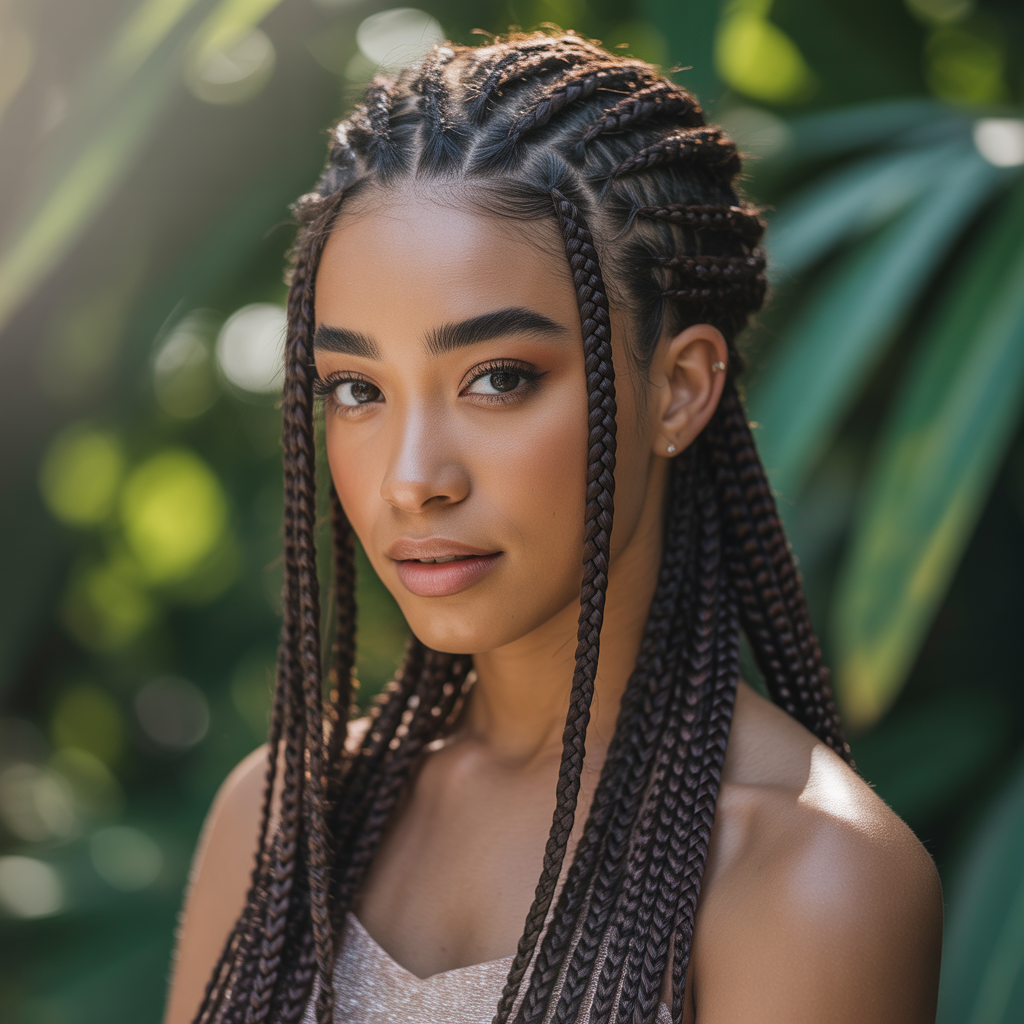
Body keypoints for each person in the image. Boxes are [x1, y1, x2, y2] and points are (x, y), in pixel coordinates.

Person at [164, 31, 943, 1024]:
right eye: (357, 388)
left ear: (679, 387)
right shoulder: (285, 815)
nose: (413, 481)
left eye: (497, 379)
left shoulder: (803, 874)